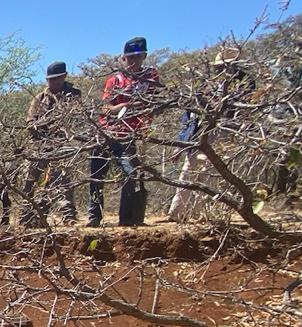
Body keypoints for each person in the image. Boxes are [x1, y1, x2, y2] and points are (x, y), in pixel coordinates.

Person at [167, 46, 255, 222]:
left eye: (226, 66)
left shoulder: (245, 83)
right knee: (188, 173)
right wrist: (180, 144)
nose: (222, 70)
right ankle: (176, 214)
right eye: (220, 67)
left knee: (210, 175)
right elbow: (189, 116)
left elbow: (246, 110)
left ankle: (199, 215)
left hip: (225, 132)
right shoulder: (205, 85)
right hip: (200, 134)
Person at [88, 37, 162, 228]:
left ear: (144, 56)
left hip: (131, 134)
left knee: (131, 173)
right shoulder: (115, 80)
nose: (133, 61)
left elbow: (155, 102)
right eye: (129, 58)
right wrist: (124, 105)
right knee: (97, 174)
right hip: (108, 132)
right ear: (123, 58)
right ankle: (94, 216)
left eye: (137, 57)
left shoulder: (151, 77)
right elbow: (106, 108)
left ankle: (127, 219)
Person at [23, 61, 83, 226]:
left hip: (63, 144)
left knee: (61, 179)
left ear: (64, 77)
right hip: (40, 145)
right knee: (28, 180)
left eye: (56, 79)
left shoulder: (74, 95)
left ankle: (68, 216)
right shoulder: (40, 98)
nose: (53, 82)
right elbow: (30, 122)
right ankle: (27, 216)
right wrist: (41, 127)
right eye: (50, 79)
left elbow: (75, 119)